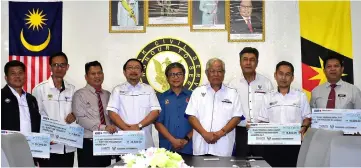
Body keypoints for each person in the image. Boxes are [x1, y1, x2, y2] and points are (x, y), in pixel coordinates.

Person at [185, 58, 245, 157]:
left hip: (223, 147)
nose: (216, 74)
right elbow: (191, 116)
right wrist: (204, 133)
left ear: (224, 73)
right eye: (212, 71)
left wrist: (219, 134)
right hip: (201, 146)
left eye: (219, 71)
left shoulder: (233, 93)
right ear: (206, 73)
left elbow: (237, 117)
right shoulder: (197, 92)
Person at [258, 61, 311, 167]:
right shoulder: (267, 97)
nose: (283, 77)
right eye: (281, 74)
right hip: (272, 144)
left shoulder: (300, 96)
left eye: (287, 74)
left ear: (292, 77)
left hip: (294, 144)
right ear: (275, 75)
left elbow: (307, 117)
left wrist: (304, 126)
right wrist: (255, 129)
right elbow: (262, 121)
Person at [32, 52, 76, 167]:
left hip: (68, 146)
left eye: (62, 65)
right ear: (50, 67)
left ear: (67, 67)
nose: (59, 68)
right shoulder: (40, 89)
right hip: (49, 147)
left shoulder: (72, 89)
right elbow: (35, 118)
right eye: (55, 65)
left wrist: (75, 115)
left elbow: (77, 112)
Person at [228, 47, 273, 157]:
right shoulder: (233, 85)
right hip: (240, 132)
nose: (248, 63)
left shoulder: (266, 83)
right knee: (240, 163)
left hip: (262, 132)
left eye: (252, 60)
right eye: (245, 59)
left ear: (257, 62)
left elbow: (272, 108)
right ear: (240, 62)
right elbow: (229, 110)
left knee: (262, 162)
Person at [107, 58, 161, 149]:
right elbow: (112, 113)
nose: (133, 70)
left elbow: (155, 111)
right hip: (122, 142)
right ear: (124, 72)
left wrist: (138, 126)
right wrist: (127, 130)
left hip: (145, 142)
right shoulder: (117, 90)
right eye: (130, 68)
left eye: (137, 68)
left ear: (141, 72)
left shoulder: (148, 89)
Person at [72, 61, 117, 167]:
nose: (97, 76)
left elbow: (113, 117)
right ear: (86, 77)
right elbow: (80, 119)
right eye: (93, 74)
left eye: (99, 73)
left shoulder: (108, 95)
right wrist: (103, 127)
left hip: (106, 142)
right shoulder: (79, 95)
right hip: (88, 143)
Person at [1, 60, 41, 166]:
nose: (17, 76)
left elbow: (37, 124)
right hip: (6, 152)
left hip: (30, 151)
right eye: (13, 73)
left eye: (20, 73)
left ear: (25, 75)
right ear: (6, 77)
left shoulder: (31, 99)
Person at [155, 63, 193, 157]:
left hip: (189, 146)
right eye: (172, 74)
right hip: (167, 146)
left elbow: (199, 122)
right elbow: (158, 123)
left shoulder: (194, 96)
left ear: (184, 76)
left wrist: (186, 139)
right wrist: (173, 140)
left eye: (179, 74)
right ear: (167, 78)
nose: (175, 77)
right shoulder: (160, 98)